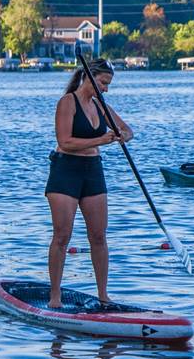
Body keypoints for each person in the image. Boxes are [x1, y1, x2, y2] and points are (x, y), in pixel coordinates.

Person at [45, 58, 134, 308]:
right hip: (65, 170)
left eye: (108, 85)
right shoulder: (67, 102)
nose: (105, 89)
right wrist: (102, 140)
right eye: (103, 83)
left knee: (98, 236)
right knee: (62, 236)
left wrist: (122, 135)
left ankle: (103, 296)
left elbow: (128, 130)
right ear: (89, 77)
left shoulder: (100, 105)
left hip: (93, 170)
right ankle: (55, 297)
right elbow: (65, 141)